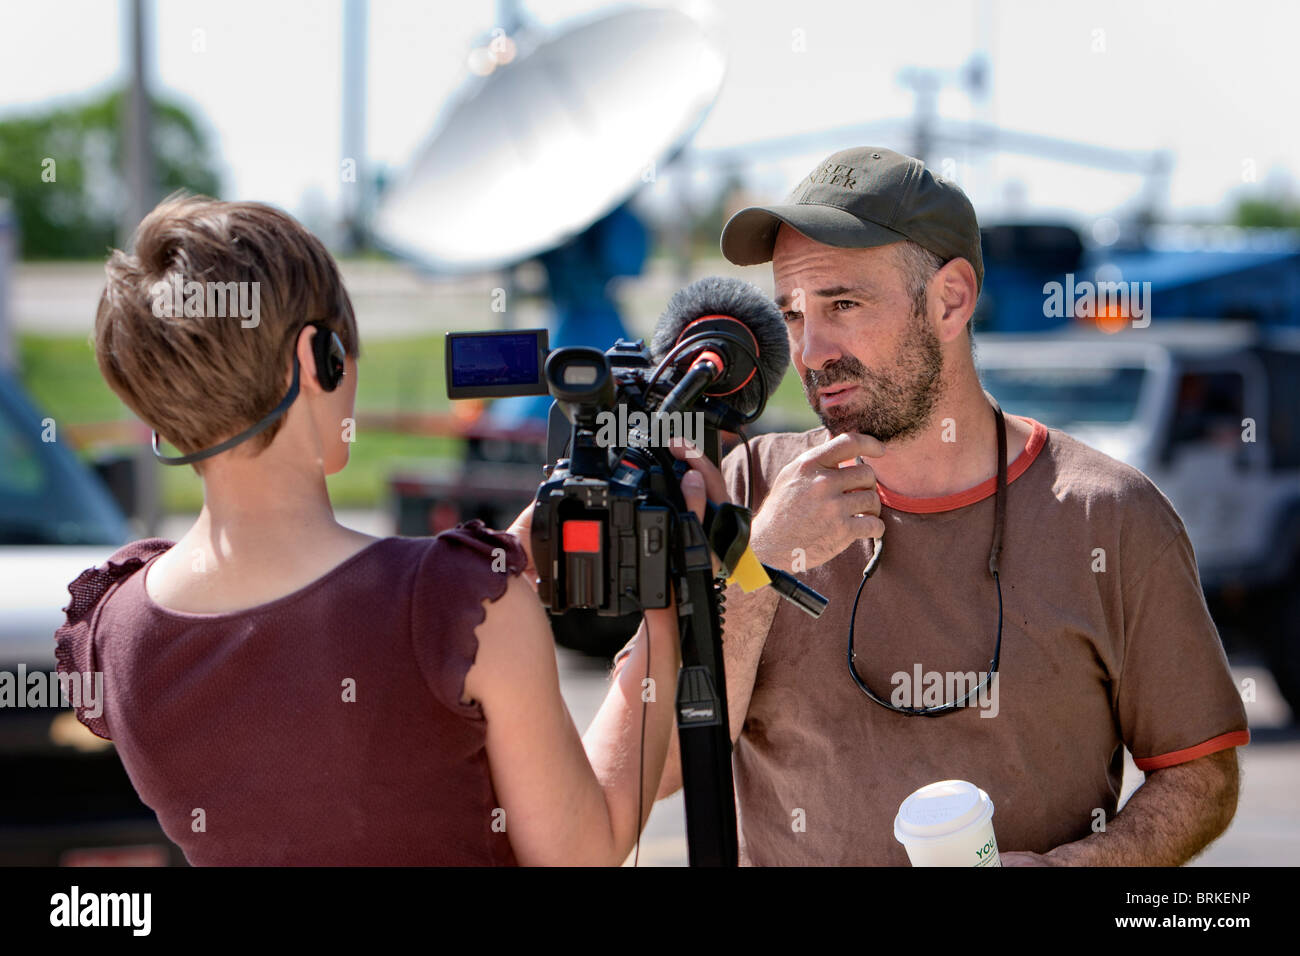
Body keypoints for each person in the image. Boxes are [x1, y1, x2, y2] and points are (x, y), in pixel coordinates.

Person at [54, 193, 709, 866]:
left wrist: (483, 584)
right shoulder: (462, 603)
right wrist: (668, 620)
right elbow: (582, 851)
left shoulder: (115, 630)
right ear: (318, 358)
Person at [654, 147, 1249, 866]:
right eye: (793, 314)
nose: (811, 352)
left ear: (950, 301)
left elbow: (1201, 776)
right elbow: (660, 769)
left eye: (843, 304)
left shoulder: (1111, 517)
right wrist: (760, 568)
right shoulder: (744, 492)